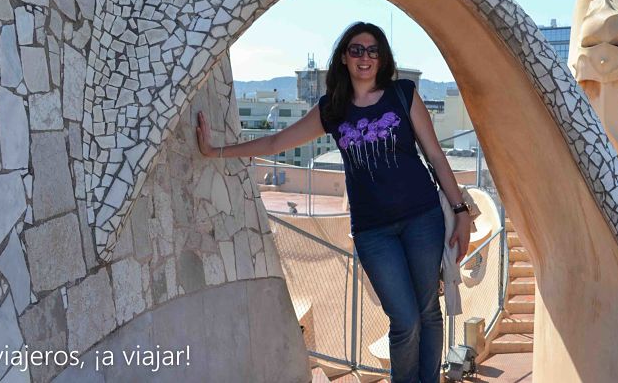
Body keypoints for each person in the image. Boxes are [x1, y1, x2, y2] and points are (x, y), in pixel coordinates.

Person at [196, 22, 472, 383]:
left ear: (382, 58)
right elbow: (274, 143)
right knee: (404, 321)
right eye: (356, 50)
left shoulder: (404, 94)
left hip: (422, 218)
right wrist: (215, 150)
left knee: (427, 312)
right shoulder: (334, 109)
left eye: (373, 50)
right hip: (374, 232)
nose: (365, 57)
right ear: (344, 57)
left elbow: (435, 156)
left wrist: (461, 211)